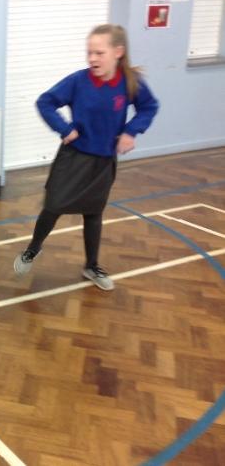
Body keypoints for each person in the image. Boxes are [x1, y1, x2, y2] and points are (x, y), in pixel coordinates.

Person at [13, 24, 159, 290]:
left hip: (103, 160)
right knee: (53, 206)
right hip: (73, 157)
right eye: (89, 52)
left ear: (118, 52)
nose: (92, 58)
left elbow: (149, 106)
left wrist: (131, 131)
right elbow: (45, 102)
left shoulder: (130, 83)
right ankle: (33, 248)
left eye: (99, 53)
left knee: (93, 212)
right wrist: (64, 128)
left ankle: (91, 265)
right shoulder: (78, 81)